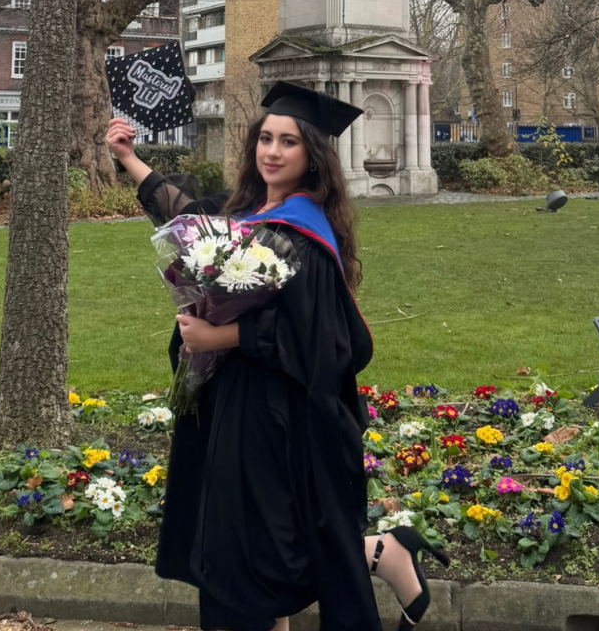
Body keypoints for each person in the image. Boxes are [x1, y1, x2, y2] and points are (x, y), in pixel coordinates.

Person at [105, 81, 448, 631]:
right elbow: (188, 217)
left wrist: (225, 338)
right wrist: (129, 159)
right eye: (265, 138)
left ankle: (384, 553)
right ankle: (383, 551)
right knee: (255, 543)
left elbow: (321, 340)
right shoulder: (244, 209)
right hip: (230, 403)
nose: (272, 151)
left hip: (275, 413)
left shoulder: (303, 232)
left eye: (288, 142)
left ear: (312, 156)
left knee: (253, 549)